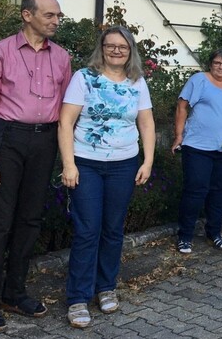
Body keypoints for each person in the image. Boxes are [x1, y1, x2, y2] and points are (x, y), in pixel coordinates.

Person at [0, 0, 71, 333]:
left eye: (59, 15)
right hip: (7, 140)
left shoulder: (61, 57)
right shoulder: (0, 52)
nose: (56, 20)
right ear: (27, 15)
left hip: (44, 141)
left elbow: (67, 111)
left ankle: (14, 293)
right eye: (50, 14)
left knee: (30, 220)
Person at [58, 26, 155, 328]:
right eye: (110, 45)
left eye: (122, 47)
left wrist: (148, 161)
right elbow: (65, 122)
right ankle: (77, 298)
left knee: (113, 230)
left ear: (130, 51)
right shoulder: (84, 78)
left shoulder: (137, 82)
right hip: (86, 163)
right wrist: (69, 164)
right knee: (88, 230)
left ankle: (105, 287)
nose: (116, 50)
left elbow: (147, 124)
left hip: (124, 165)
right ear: (102, 48)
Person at [173, 49, 222, 254]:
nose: (221, 66)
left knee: (219, 193)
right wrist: (179, 135)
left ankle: (214, 232)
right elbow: (182, 106)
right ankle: (185, 236)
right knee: (195, 192)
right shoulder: (199, 80)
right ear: (210, 64)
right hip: (197, 147)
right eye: (217, 62)